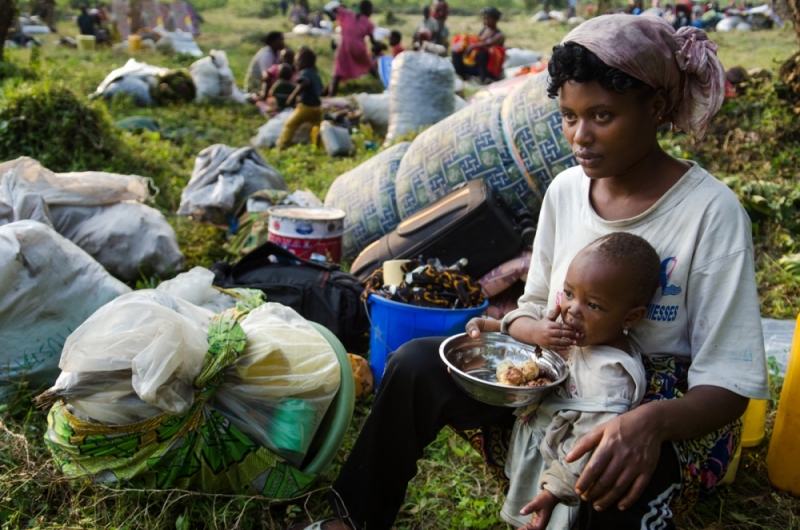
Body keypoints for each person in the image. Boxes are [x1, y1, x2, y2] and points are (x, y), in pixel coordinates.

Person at [295, 14, 769, 530]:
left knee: (609, 473)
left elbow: (728, 382)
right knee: (415, 364)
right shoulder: (566, 192)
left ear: (654, 107)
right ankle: (353, 519)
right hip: (555, 383)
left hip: (655, 410)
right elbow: (530, 311)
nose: (579, 137)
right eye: (568, 116)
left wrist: (647, 425)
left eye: (602, 116)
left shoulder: (710, 213)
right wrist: (522, 329)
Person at [501, 232, 658, 529]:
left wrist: (553, 492)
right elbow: (533, 313)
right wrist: (517, 327)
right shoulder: (578, 330)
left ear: (631, 317)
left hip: (561, 475)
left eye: (593, 305)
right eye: (569, 293)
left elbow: (586, 447)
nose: (572, 309)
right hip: (538, 447)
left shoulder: (609, 375)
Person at [276, 47, 322, 149]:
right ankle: (320, 145)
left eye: (297, 62)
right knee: (319, 127)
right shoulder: (316, 74)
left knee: (290, 124)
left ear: (305, 62)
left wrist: (293, 96)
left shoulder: (305, 73)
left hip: (305, 107)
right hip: (317, 108)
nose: (296, 65)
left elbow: (304, 83)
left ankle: (281, 145)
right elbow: (321, 89)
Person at [328, 0, 376, 96]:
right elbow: (373, 41)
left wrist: (341, 6)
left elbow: (333, 9)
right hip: (359, 49)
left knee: (338, 72)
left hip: (344, 47)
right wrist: (379, 45)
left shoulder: (347, 14)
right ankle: (381, 82)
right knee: (370, 65)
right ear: (368, 10)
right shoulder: (368, 23)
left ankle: (331, 95)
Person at [451, 7, 506, 84]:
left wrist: (472, 47)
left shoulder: (499, 35)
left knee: (482, 54)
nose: (485, 21)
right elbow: (475, 40)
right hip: (476, 59)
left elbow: (487, 44)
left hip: (490, 65)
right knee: (456, 51)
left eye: (487, 18)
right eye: (484, 18)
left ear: (494, 19)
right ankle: (462, 75)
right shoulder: (483, 30)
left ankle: (484, 78)